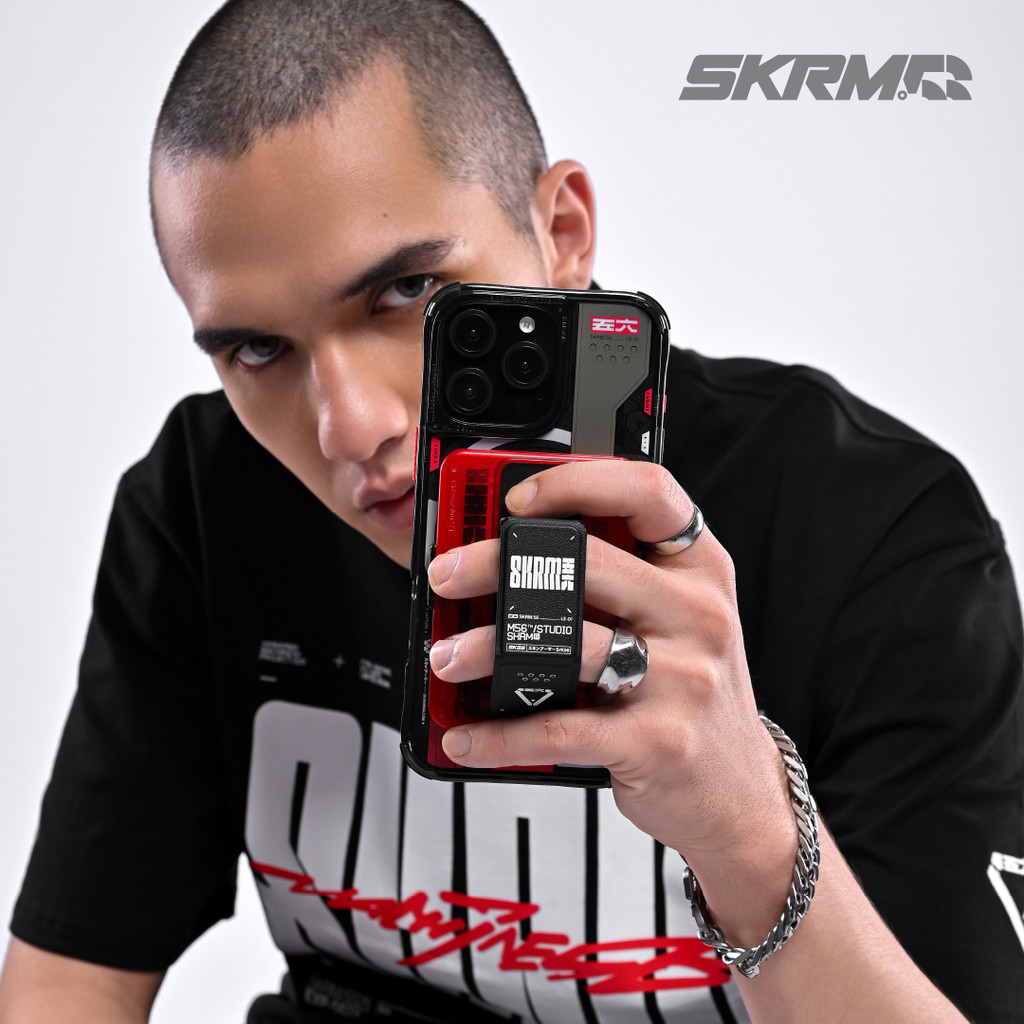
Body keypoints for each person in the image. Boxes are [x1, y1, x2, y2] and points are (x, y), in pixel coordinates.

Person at [1, 1, 1022, 1021]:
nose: (349, 427)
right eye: (257, 349)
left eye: (406, 290)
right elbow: (69, 982)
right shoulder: (206, 497)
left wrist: (749, 831)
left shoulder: (871, 530)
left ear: (561, 232)